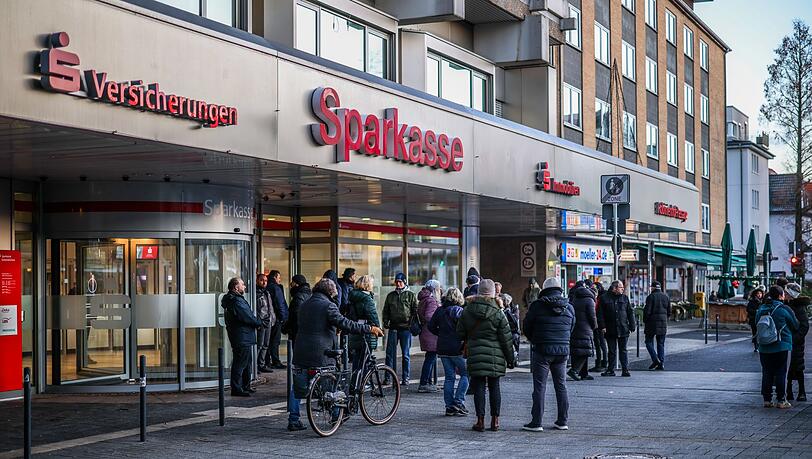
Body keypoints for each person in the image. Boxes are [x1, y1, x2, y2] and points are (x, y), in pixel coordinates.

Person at [288, 278, 384, 431]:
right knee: (333, 383)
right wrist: (369, 328)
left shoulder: (305, 304)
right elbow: (345, 323)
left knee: (297, 388)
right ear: (330, 292)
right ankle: (336, 415)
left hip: (300, 351)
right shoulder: (328, 305)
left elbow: (313, 324)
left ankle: (293, 419)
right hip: (322, 353)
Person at [457, 279, 516, 432]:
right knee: (495, 387)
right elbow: (506, 338)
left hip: (475, 354)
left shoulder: (468, 310)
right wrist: (510, 359)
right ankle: (495, 421)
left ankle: (480, 421)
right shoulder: (498, 312)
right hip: (495, 357)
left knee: (479, 388)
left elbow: (459, 333)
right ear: (493, 293)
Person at [522, 277, 575, 432]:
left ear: (544, 289)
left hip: (542, 350)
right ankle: (562, 420)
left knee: (539, 386)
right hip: (562, 351)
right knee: (561, 385)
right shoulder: (569, 307)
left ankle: (536, 422)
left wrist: (535, 340)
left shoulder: (537, 306)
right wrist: (563, 340)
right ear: (560, 289)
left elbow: (527, 326)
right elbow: (572, 326)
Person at [756, 285, 800, 409]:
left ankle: (767, 400)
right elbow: (795, 325)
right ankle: (781, 400)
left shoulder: (761, 308)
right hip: (781, 345)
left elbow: (756, 324)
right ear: (781, 295)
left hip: (764, 346)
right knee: (781, 372)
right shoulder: (783, 309)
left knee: (766, 372)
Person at [428, 287, 469, 416]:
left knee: (449, 377)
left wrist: (440, 334)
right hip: (457, 348)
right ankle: (458, 401)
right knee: (466, 374)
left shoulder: (440, 310)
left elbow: (430, 326)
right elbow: (465, 329)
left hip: (443, 347)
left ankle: (449, 406)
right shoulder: (460, 311)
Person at [221, 277, 262, 397]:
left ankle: (245, 386)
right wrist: (258, 323)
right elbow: (246, 316)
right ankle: (237, 388)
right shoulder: (236, 301)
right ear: (235, 287)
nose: (244, 286)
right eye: (242, 284)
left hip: (243, 335)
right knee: (240, 362)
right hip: (241, 335)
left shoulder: (235, 299)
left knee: (246, 362)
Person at [382, 272, 418, 386]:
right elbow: (386, 310)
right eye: (396, 282)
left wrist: (411, 323)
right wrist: (385, 321)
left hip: (405, 328)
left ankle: (405, 377)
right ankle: (388, 377)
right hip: (393, 327)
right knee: (389, 354)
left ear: (405, 282)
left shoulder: (410, 295)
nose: (398, 284)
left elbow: (415, 310)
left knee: (405, 354)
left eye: (400, 282)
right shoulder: (390, 296)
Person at [597, 280, 635, 377]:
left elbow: (630, 312)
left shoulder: (625, 298)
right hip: (610, 328)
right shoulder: (604, 298)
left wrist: (632, 325)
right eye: (621, 287)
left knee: (623, 350)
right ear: (614, 288)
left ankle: (625, 369)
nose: (623, 289)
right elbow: (600, 314)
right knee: (612, 350)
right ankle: (611, 370)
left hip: (623, 328)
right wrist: (602, 326)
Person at [346, 275, 380, 377]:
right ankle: (364, 381)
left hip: (355, 328)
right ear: (368, 284)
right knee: (366, 357)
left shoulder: (353, 296)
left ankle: (355, 380)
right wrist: (377, 328)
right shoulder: (367, 298)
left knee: (357, 356)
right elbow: (372, 315)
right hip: (366, 329)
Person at [784, 283, 809, 401]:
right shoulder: (785, 305)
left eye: (787, 293)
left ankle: (802, 392)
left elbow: (804, 326)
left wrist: (795, 338)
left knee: (798, 368)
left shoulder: (799, 307)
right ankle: (789, 391)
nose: (785, 295)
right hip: (789, 340)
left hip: (796, 343)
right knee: (788, 368)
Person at [568, 280, 597, 381]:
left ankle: (583, 373)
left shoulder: (575, 299)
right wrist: (594, 326)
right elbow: (592, 316)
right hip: (586, 328)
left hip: (575, 327)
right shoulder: (590, 300)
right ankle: (574, 370)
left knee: (578, 350)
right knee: (586, 351)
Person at [417, 279, 442, 393]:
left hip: (426, 332)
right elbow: (429, 316)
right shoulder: (431, 300)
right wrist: (438, 322)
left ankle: (427, 382)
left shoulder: (424, 299)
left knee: (430, 358)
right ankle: (424, 383)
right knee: (430, 358)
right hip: (431, 333)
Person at [643, 280, 669, 371]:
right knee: (661, 343)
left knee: (648, 342)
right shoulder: (666, 297)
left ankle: (655, 360)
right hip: (663, 323)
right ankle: (661, 363)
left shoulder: (651, 297)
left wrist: (645, 321)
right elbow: (669, 311)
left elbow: (647, 311)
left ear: (653, 287)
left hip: (651, 323)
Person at [266, 270, 289, 370]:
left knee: (267, 341)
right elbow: (280, 304)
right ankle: (276, 361)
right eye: (279, 277)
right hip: (276, 318)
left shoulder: (267, 287)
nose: (280, 279)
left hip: (268, 318)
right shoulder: (276, 288)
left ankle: (267, 361)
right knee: (275, 341)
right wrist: (283, 318)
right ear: (275, 277)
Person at [255, 273, 276, 373]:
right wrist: (259, 321)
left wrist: (273, 318)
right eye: (262, 280)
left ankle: (261, 364)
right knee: (259, 345)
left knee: (266, 344)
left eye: (266, 280)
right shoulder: (255, 293)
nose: (264, 282)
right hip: (261, 322)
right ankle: (254, 366)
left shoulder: (267, 293)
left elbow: (270, 307)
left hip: (269, 321)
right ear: (257, 280)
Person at [282, 274, 311, 346]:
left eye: (293, 282)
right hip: (306, 328)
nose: (291, 284)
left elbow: (294, 315)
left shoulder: (298, 296)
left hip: (297, 330)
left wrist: (286, 328)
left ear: (297, 284)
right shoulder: (309, 294)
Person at [496, 283, 521, 358]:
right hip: (499, 331)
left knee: (515, 337)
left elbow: (515, 321)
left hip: (509, 330)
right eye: (496, 291)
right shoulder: (491, 302)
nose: (497, 293)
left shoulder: (507, 305)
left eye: (498, 291)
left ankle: (515, 354)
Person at [589, 281, 609, 373]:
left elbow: (598, 312)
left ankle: (602, 363)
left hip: (599, 325)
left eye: (595, 288)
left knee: (600, 343)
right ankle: (602, 362)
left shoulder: (600, 299)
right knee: (600, 344)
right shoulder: (602, 298)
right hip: (599, 324)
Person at [746, 286, 766, 352]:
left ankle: (760, 345)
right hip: (754, 319)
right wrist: (756, 311)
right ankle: (756, 346)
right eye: (758, 293)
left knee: (761, 332)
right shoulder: (752, 301)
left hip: (762, 319)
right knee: (755, 333)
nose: (759, 295)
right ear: (755, 294)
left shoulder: (763, 301)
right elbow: (748, 309)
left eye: (760, 293)